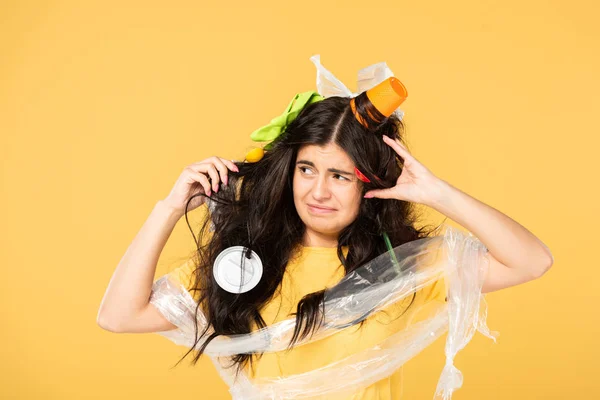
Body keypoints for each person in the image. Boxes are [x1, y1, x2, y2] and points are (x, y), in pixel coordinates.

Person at [97, 57, 553, 399]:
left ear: (369, 183)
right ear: (287, 171)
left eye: (340, 176)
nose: (319, 192)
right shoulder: (241, 263)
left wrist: (438, 193)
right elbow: (118, 316)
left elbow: (532, 261)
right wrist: (170, 207)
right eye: (307, 169)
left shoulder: (403, 266)